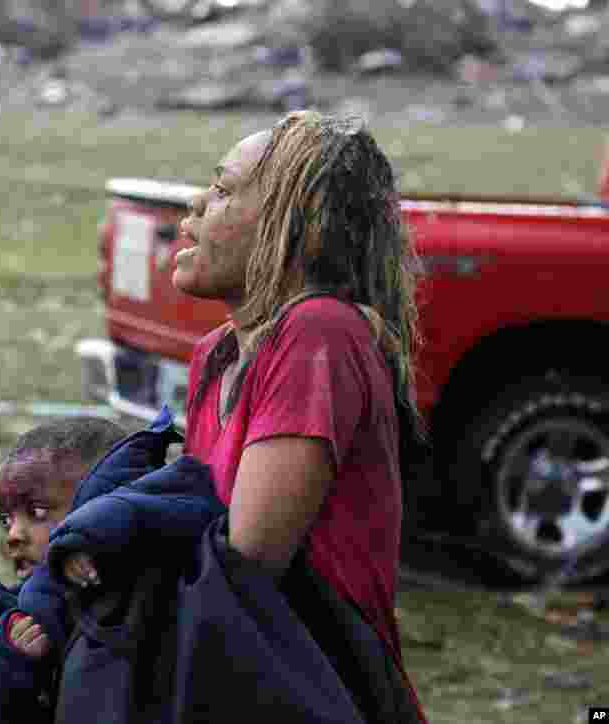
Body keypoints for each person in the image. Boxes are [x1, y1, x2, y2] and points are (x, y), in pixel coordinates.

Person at [63, 110, 428, 722]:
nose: (197, 205)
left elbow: (247, 560)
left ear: (302, 228)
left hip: (314, 685)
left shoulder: (318, 332)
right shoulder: (219, 353)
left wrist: (112, 534)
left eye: (226, 190)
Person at [0, 415, 126, 724]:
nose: (14, 535)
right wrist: (12, 671)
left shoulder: (135, 613)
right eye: (6, 519)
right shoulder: (16, 628)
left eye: (37, 512)